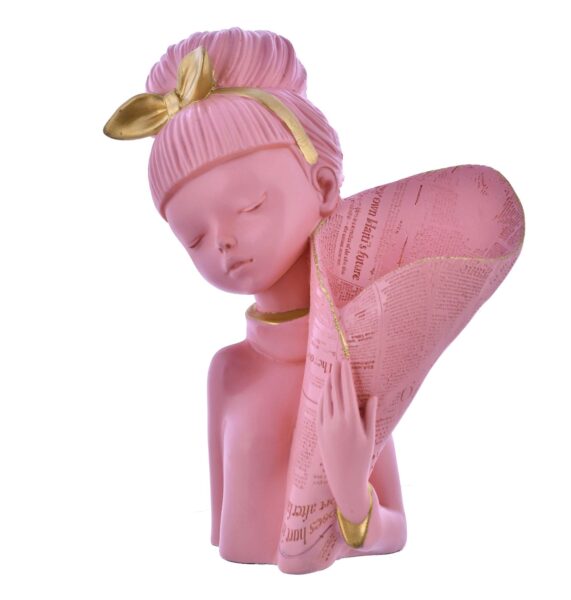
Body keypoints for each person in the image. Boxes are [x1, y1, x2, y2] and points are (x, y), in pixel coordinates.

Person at [103, 27, 525, 574]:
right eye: (194, 237)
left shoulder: (356, 362)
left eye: (249, 205)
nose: (222, 241)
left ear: (324, 186)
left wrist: (352, 496)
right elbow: (219, 530)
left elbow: (394, 530)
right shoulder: (227, 371)